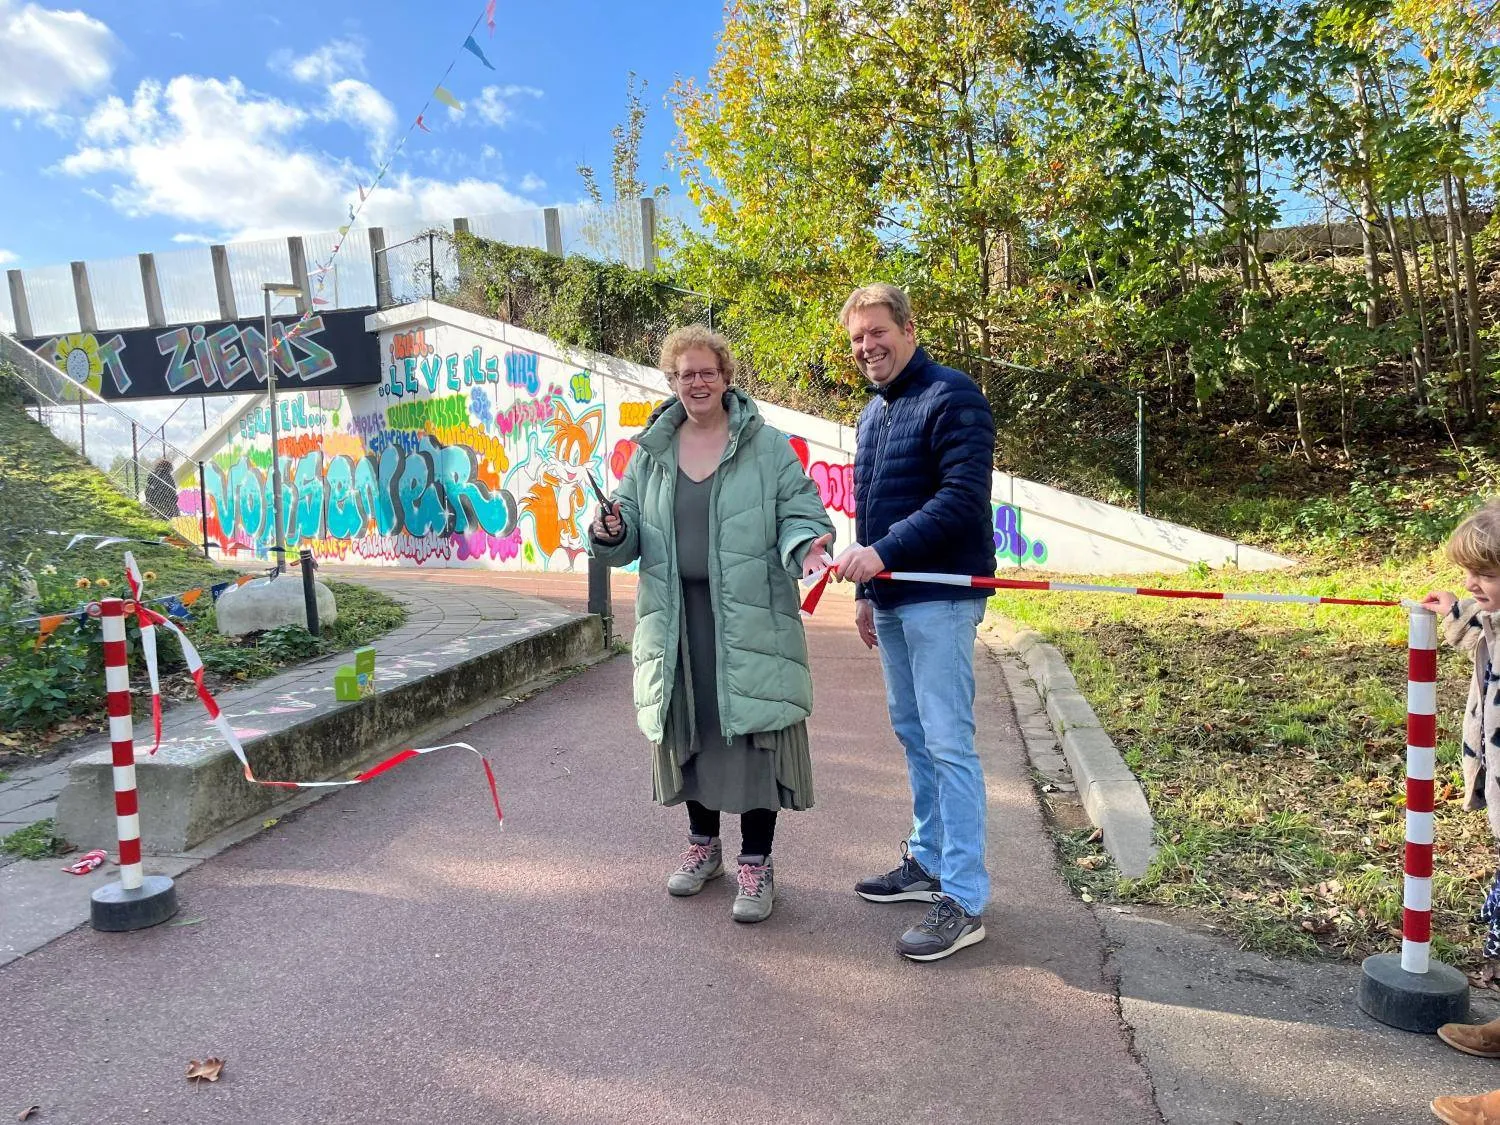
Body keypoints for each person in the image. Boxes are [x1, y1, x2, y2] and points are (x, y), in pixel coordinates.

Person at [588, 325, 833, 924]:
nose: (697, 382)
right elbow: (626, 529)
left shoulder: (767, 447)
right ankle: (704, 848)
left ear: (726, 378)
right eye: (685, 374)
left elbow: (802, 512)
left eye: (707, 372)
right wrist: (610, 531)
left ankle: (756, 863)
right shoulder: (650, 452)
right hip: (676, 620)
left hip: (750, 617)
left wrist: (807, 545)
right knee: (689, 732)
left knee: (752, 737)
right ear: (671, 381)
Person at [835, 282, 997, 962]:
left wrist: (881, 556)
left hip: (943, 596)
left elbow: (962, 498)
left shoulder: (952, 395)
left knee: (949, 742)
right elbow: (871, 509)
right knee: (914, 733)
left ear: (908, 328)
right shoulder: (873, 413)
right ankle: (928, 861)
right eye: (857, 338)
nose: (867, 346)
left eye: (878, 331)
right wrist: (867, 591)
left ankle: (964, 897)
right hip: (894, 599)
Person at [1423, 502, 1500, 1071]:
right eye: (1467, 572)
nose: (1472, 584)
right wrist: (1456, 609)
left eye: (1485, 574)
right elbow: (1481, 634)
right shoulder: (1495, 620)